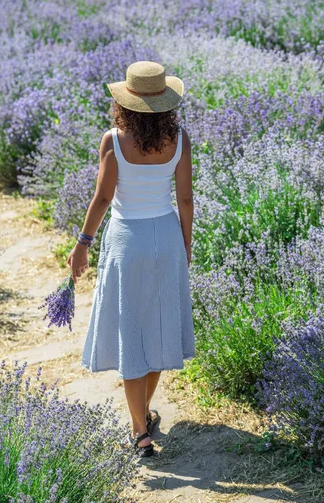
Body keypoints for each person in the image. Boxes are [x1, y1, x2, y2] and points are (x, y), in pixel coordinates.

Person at [67, 60, 196, 458]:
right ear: (165, 102)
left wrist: (82, 243)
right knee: (157, 330)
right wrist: (184, 247)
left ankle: (140, 430)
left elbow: (103, 198)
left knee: (131, 333)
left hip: (126, 241)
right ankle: (142, 416)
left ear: (127, 101)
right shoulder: (179, 139)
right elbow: (186, 200)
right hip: (165, 236)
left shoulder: (113, 141)